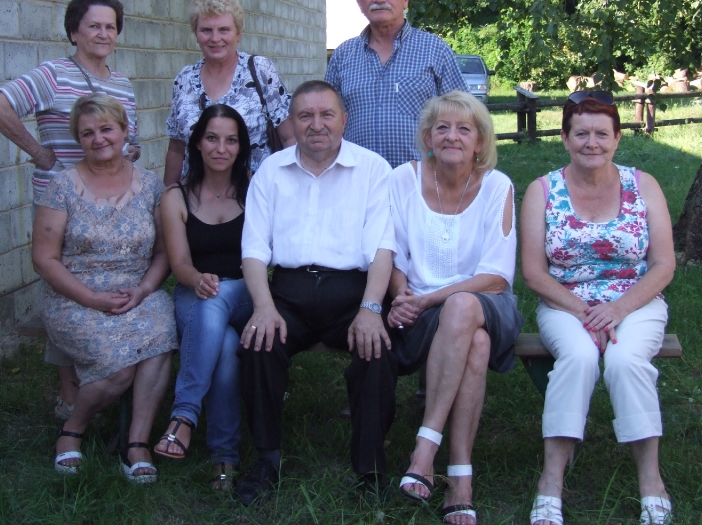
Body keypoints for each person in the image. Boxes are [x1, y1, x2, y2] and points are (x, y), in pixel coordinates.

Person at [234, 80, 398, 505]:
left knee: (377, 348)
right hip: (289, 294)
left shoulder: (374, 169)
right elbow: (254, 249)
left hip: (352, 294)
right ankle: (266, 458)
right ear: (292, 123)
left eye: (327, 114)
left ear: (345, 120)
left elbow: (382, 247)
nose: (316, 124)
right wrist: (263, 306)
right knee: (257, 343)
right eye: (305, 116)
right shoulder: (271, 171)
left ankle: (370, 467)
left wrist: (371, 308)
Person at [0, 0, 140, 422]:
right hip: (62, 207)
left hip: (110, 208)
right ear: (74, 32)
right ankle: (70, 395)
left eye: (110, 26)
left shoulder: (122, 84)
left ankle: (109, 369)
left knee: (109, 285)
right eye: (93, 26)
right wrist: (39, 152)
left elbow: (132, 141)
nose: (103, 33)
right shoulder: (54, 75)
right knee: (66, 289)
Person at [519, 91, 676, 525]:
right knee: (579, 356)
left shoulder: (643, 185)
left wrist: (619, 309)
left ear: (618, 138)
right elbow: (533, 273)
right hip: (564, 303)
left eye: (602, 134)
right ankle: (551, 482)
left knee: (626, 361)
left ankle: (651, 482)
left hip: (636, 301)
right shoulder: (542, 191)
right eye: (581, 133)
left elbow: (664, 264)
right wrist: (585, 311)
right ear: (565, 138)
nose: (592, 143)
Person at [389, 92, 522, 525]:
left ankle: (424, 449)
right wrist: (402, 296)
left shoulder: (498, 185)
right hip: (421, 310)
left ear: (480, 141)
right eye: (442, 128)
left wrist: (430, 298)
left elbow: (497, 276)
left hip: (489, 303)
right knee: (475, 346)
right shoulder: (403, 179)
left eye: (464, 129)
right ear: (428, 137)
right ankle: (461, 477)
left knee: (464, 307)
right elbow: (392, 253)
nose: (452, 136)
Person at [32, 94, 176, 483]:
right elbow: (44, 258)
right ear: (78, 140)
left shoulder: (151, 186)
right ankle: (73, 428)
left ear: (125, 131)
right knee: (119, 367)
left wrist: (144, 290)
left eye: (107, 129)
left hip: (138, 294)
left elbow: (164, 252)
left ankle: (137, 442)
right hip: (74, 297)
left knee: (161, 331)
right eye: (87, 133)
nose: (98, 139)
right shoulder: (61, 186)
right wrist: (90, 297)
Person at [152, 104, 253, 492]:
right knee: (224, 346)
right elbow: (179, 264)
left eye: (231, 140)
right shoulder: (175, 197)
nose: (221, 148)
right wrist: (197, 279)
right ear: (197, 143)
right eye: (212, 138)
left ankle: (184, 415)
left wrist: (215, 285)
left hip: (245, 292)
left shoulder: (254, 189)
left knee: (218, 298)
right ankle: (224, 457)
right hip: (193, 293)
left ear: (241, 146)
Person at [325, 0, 468, 169]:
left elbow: (465, 116)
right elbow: (328, 119)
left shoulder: (435, 50)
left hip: (421, 179)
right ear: (360, 2)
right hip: (357, 179)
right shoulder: (342, 55)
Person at [164, 0, 295, 184]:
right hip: (195, 193)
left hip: (255, 192)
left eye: (224, 30)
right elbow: (176, 149)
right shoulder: (184, 79)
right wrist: (168, 194)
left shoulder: (260, 70)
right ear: (196, 34)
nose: (215, 38)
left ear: (238, 34)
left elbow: (289, 138)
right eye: (206, 30)